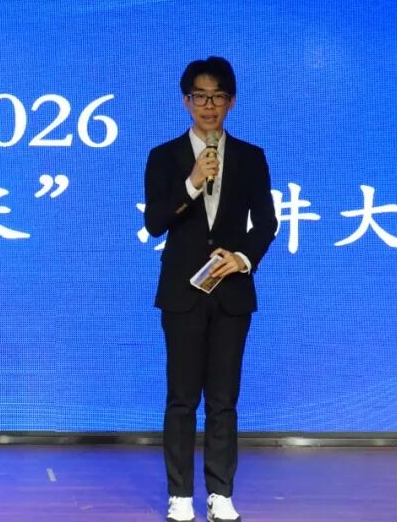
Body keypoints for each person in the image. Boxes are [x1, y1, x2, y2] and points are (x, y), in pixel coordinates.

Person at [143, 57, 278, 522]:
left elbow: (267, 223)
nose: (209, 105)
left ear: (231, 102)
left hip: (232, 293)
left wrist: (242, 258)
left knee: (224, 400)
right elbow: (154, 222)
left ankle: (220, 492)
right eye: (200, 96)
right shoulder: (164, 157)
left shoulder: (251, 157)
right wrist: (193, 182)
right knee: (182, 399)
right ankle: (180, 494)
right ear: (186, 101)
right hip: (182, 294)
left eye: (218, 96)